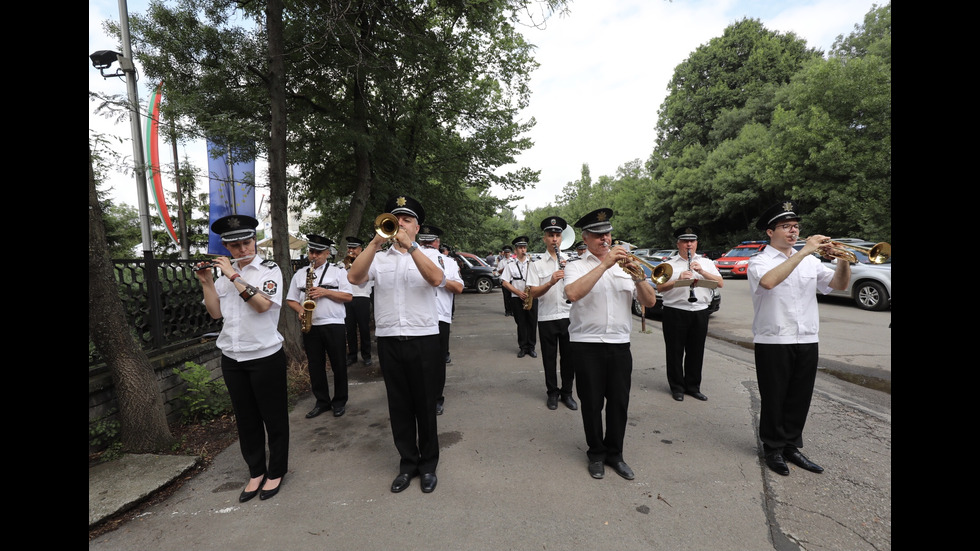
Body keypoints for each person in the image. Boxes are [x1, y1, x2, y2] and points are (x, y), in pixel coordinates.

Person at [347, 195, 447, 494]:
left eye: (406, 220)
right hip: (390, 340)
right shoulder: (378, 257)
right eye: (396, 219)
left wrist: (411, 247)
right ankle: (408, 463)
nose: (400, 224)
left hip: (424, 339)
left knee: (425, 405)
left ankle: (428, 465)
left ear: (417, 227)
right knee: (399, 406)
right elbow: (354, 277)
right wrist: (375, 243)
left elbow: (436, 279)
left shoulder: (430, 255)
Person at [747, 200, 850, 477]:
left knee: (799, 397)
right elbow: (768, 282)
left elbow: (839, 285)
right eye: (786, 227)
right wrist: (804, 251)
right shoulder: (760, 261)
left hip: (807, 337)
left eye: (795, 227)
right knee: (775, 396)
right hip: (773, 340)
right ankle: (772, 448)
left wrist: (842, 258)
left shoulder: (810, 261)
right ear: (770, 232)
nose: (793, 232)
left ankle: (791, 445)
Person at [193, 214, 289, 501]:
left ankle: (277, 471)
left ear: (254, 241)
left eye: (247, 243)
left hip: (264, 355)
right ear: (226, 248)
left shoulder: (269, 270)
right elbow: (215, 313)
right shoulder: (223, 274)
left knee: (273, 417)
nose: (242, 250)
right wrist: (208, 282)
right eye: (235, 247)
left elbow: (261, 306)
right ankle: (256, 470)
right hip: (233, 358)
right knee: (246, 419)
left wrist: (235, 276)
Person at [563, 208, 657, 481]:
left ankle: (615, 454)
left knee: (618, 402)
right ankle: (595, 453)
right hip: (586, 344)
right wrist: (605, 265)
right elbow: (572, 293)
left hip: (619, 344)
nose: (604, 240)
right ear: (586, 238)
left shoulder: (628, 266)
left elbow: (649, 302)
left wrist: (638, 276)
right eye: (597, 235)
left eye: (607, 234)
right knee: (591, 403)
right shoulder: (575, 266)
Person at [286, 235, 353, 419]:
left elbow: (348, 297)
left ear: (327, 253)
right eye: (311, 251)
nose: (313, 255)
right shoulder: (300, 274)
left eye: (318, 252)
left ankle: (339, 401)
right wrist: (300, 310)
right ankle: (322, 401)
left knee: (339, 364)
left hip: (334, 324)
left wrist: (325, 292)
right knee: (315, 366)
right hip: (311, 325)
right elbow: (291, 299)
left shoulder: (338, 272)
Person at [654, 225, 725, 402]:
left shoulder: (707, 262)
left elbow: (719, 283)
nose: (689, 245)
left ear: (696, 243)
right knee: (675, 351)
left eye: (692, 241)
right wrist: (679, 280)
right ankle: (677, 387)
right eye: (685, 241)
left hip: (700, 311)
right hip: (675, 312)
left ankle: (693, 387)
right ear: (678, 244)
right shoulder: (668, 264)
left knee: (696, 351)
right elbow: (660, 288)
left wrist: (701, 272)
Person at [526, 216, 577, 411]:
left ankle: (567, 393)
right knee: (549, 358)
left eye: (557, 235)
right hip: (547, 317)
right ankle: (552, 393)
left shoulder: (571, 262)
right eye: (550, 235)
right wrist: (550, 282)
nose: (554, 239)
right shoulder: (536, 265)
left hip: (569, 315)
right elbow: (532, 292)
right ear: (544, 238)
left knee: (569, 359)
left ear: (561, 238)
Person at [418, 224, 463, 415]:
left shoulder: (448, 262)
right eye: (425, 241)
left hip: (440, 316)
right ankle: (425, 398)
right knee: (422, 362)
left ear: (436, 243)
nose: (428, 244)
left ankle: (436, 398)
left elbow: (459, 288)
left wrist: (441, 279)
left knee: (436, 362)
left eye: (430, 241)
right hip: (418, 316)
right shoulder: (411, 258)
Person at [500, 236, 538, 358]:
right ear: (515, 250)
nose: (523, 250)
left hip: (531, 296)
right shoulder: (510, 265)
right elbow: (504, 282)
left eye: (524, 247)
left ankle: (531, 347)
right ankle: (523, 347)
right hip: (517, 297)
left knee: (532, 322)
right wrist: (517, 292)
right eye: (520, 248)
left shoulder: (533, 263)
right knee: (521, 323)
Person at [343, 236, 374, 368]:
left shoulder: (367, 262)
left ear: (360, 249)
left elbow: (366, 281)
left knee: (364, 328)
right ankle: (352, 355)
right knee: (350, 329)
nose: (351, 250)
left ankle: (367, 355)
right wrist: (346, 266)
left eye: (354, 248)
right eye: (349, 248)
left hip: (362, 297)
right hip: (348, 297)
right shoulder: (342, 264)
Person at [495, 246, 514, 316]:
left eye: (508, 252)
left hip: (512, 281)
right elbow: (498, 271)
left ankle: (512, 311)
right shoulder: (502, 262)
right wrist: (505, 268)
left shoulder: (513, 261)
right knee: (506, 297)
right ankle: (507, 311)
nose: (507, 254)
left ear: (510, 253)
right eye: (505, 252)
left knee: (512, 297)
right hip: (504, 281)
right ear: (504, 253)